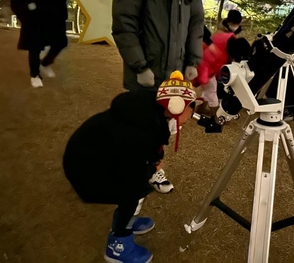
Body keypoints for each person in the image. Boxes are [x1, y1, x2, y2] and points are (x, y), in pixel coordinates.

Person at [63, 71, 198, 263]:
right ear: (176, 106)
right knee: (135, 187)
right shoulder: (142, 131)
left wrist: (151, 163)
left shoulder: (146, 110)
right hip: (86, 171)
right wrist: (149, 169)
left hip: (89, 160)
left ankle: (125, 220)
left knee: (139, 180)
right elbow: (131, 169)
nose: (191, 116)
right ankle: (117, 245)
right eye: (191, 110)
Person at [112, 0, 204, 193]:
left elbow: (196, 22)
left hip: (174, 74)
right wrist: (139, 65)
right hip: (145, 74)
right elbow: (124, 26)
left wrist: (193, 60)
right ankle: (131, 172)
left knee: (164, 127)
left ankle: (154, 170)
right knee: (141, 127)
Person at [9, 0, 68, 88]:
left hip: (52, 17)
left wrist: (62, 16)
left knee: (60, 42)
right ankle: (34, 74)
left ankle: (46, 63)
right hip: (32, 18)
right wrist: (25, 11)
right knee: (34, 47)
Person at [193, 32, 251, 115]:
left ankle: (200, 110)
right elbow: (203, 63)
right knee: (212, 91)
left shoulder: (230, 40)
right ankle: (216, 116)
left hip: (208, 69)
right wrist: (203, 80)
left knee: (209, 90)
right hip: (200, 67)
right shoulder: (216, 50)